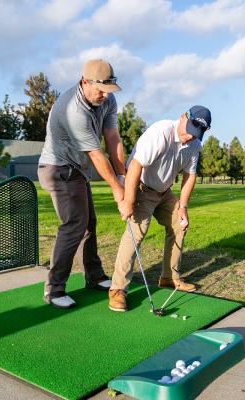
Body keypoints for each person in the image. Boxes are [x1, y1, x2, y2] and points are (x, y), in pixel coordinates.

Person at [38, 59, 126, 309]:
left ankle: (94, 277)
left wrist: (122, 176)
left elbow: (112, 137)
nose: (104, 95)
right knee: (74, 224)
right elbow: (96, 155)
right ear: (84, 82)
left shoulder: (107, 99)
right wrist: (118, 191)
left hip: (76, 169)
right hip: (57, 168)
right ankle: (54, 289)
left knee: (89, 222)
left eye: (108, 90)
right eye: (99, 89)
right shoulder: (72, 110)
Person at [108, 105, 212, 312]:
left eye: (196, 134)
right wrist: (128, 200)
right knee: (136, 232)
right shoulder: (161, 132)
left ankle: (169, 278)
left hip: (164, 192)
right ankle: (117, 289)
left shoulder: (194, 145)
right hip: (142, 187)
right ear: (183, 117)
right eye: (189, 130)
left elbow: (189, 175)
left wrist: (183, 207)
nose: (189, 137)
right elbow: (136, 165)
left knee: (179, 224)